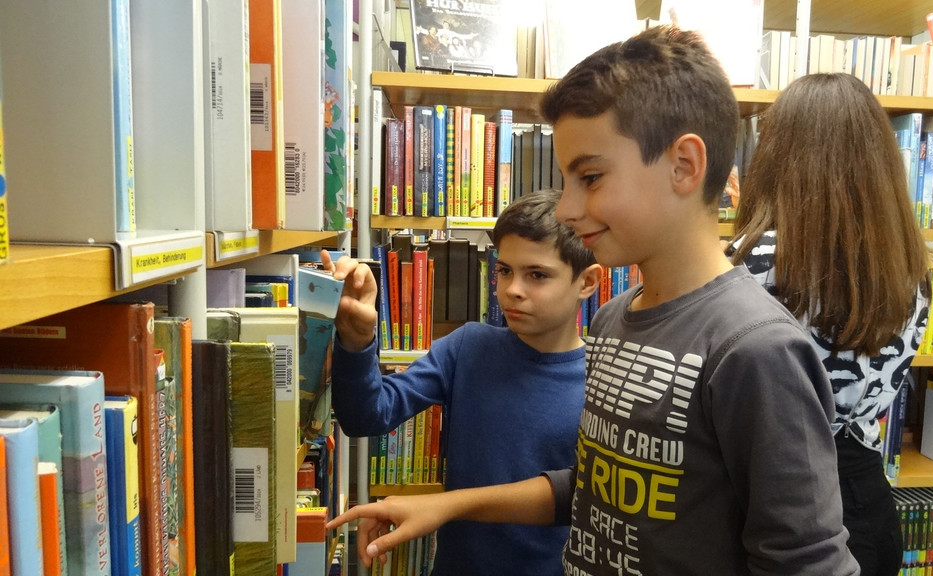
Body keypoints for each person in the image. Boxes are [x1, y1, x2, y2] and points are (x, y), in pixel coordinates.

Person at [329, 25, 860, 575]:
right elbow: (593, 488)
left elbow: (807, 560)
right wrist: (448, 505)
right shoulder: (613, 319)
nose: (566, 209)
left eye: (591, 177)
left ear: (683, 165)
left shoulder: (757, 350)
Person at [320, 189, 602, 576]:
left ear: (587, 282)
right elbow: (366, 416)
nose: (512, 290)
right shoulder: (469, 347)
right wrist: (356, 340)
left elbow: (587, 499)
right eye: (505, 271)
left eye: (537, 275)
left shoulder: (602, 379)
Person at [727, 72, 931, 576]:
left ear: (778, 155)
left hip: (775, 492)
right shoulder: (910, 266)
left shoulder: (752, 260)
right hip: (865, 493)